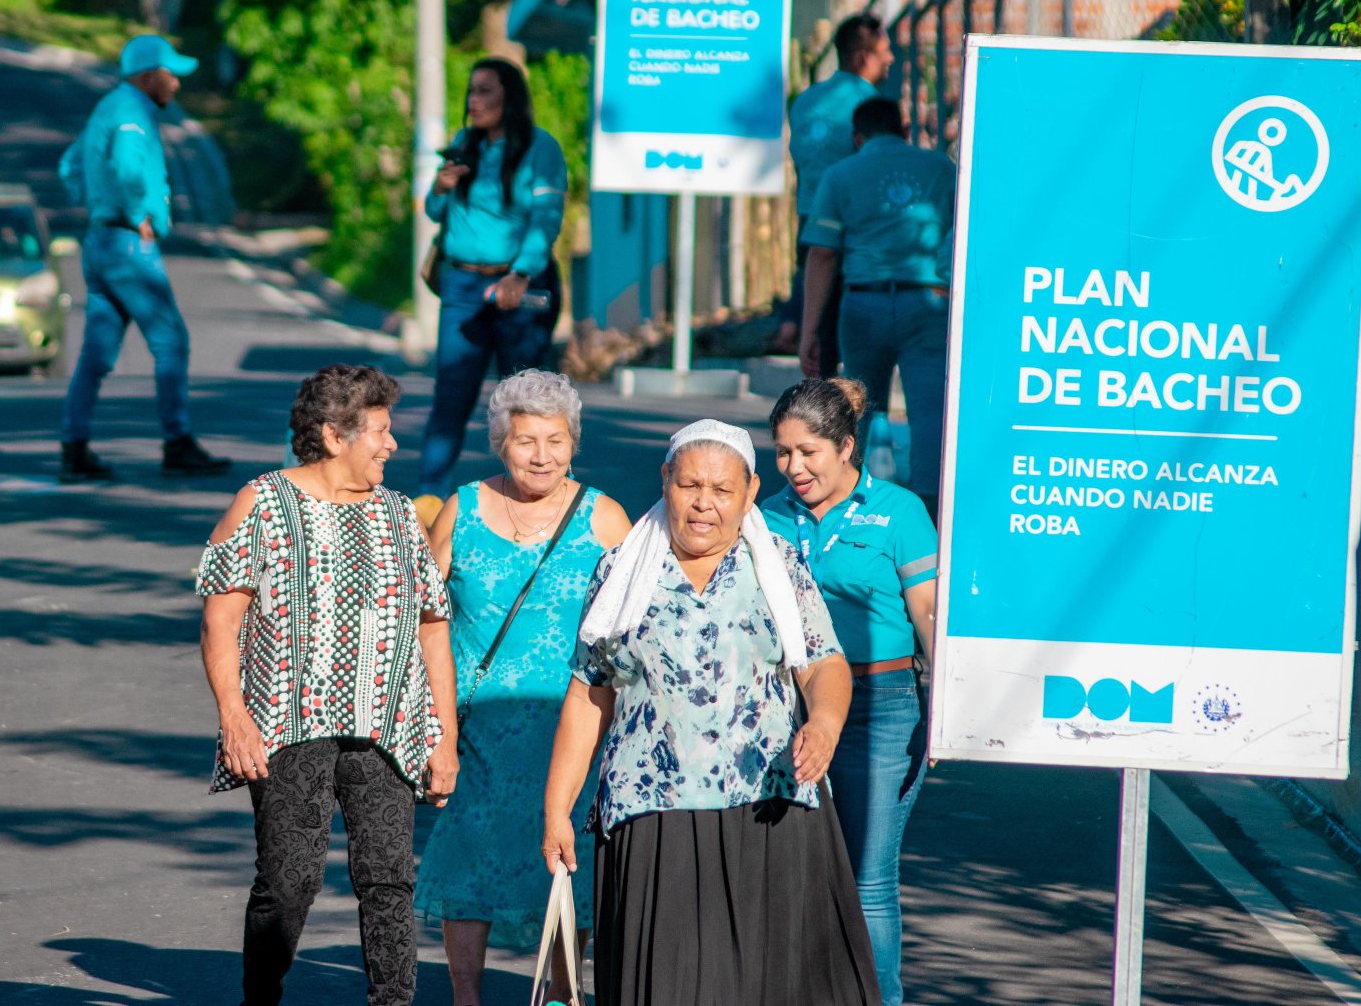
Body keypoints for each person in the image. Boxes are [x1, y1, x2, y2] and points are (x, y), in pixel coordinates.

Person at [544, 419, 876, 1006]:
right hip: (652, 811)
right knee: (669, 986)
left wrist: (823, 724)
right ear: (665, 480)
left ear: (749, 492)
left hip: (768, 804)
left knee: (769, 985)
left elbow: (823, 665)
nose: (704, 504)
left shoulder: (777, 567)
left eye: (723, 491)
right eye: (690, 485)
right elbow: (589, 693)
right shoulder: (621, 572)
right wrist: (557, 809)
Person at [197, 364, 458, 1006]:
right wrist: (234, 716)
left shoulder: (399, 514)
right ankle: (260, 996)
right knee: (288, 881)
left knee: (389, 881)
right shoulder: (263, 502)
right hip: (287, 726)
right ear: (334, 435)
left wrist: (444, 737)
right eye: (380, 431)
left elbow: (432, 629)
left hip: (390, 726)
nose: (392, 444)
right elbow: (220, 619)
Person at [414, 370, 632, 1005]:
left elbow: (638, 626)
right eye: (527, 440)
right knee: (468, 862)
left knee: (566, 862)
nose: (543, 455)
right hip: (477, 728)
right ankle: (466, 999)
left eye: (557, 440)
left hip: (572, 725)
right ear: (500, 444)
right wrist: (440, 735)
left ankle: (564, 995)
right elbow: (427, 622)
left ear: (574, 443)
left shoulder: (604, 518)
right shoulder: (463, 508)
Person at [763, 378, 938, 1006]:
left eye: (808, 451)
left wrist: (944, 713)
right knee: (786, 874)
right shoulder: (764, 516)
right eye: (783, 452)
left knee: (867, 878)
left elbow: (927, 612)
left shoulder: (899, 511)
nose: (794, 467)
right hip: (785, 709)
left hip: (881, 708)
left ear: (846, 446)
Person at [58, 34, 229, 483]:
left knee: (97, 353)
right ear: (149, 76)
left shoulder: (107, 108)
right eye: (171, 75)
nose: (176, 84)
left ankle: (73, 446)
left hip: (99, 241)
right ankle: (178, 443)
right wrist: (138, 216)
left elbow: (69, 165)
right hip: (127, 244)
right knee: (171, 340)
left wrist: (94, 204)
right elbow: (129, 169)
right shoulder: (133, 111)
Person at [417, 58, 569, 504]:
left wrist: (520, 274)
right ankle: (429, 500)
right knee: (450, 397)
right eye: (471, 91)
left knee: (527, 403)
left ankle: (539, 498)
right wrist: (441, 188)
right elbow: (434, 211)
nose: (473, 101)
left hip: (518, 286)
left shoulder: (540, 148)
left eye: (485, 91)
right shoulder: (465, 142)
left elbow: (547, 217)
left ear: (510, 98)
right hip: (462, 286)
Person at [799, 97, 956, 515]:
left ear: (857, 137)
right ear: (904, 130)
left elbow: (823, 254)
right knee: (929, 414)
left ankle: (853, 507)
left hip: (863, 304)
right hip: (930, 302)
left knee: (857, 409)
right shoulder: (942, 168)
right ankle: (929, 516)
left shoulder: (840, 174)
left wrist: (809, 331)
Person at [776, 14, 894, 366]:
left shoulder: (805, 101)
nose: (890, 59)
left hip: (809, 222)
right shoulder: (870, 107)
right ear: (862, 57)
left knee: (819, 335)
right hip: (854, 231)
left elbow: (799, 161)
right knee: (860, 343)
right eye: (884, 51)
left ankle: (820, 408)